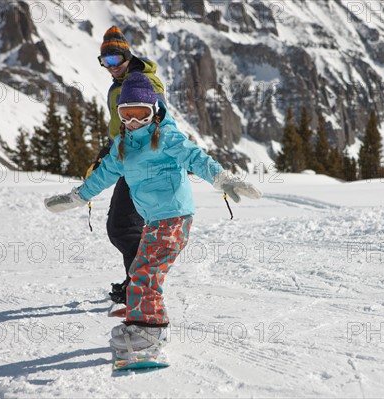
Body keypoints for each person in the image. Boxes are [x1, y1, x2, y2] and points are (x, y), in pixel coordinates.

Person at [44, 73, 262, 359]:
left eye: (141, 114)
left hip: (173, 216)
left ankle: (151, 329)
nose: (133, 121)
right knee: (140, 271)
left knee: (145, 273)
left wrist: (223, 179)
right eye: (127, 114)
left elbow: (196, 158)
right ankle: (142, 324)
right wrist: (76, 197)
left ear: (154, 112)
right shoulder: (122, 145)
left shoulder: (167, 136)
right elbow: (102, 176)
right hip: (155, 220)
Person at [90, 26, 167, 304]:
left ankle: (141, 285)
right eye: (104, 61)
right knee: (128, 226)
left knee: (122, 226)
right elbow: (120, 126)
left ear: (126, 55)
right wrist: (108, 151)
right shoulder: (120, 83)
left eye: (114, 60)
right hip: (126, 156)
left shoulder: (142, 82)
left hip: (143, 162)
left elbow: (160, 117)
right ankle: (136, 281)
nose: (109, 67)